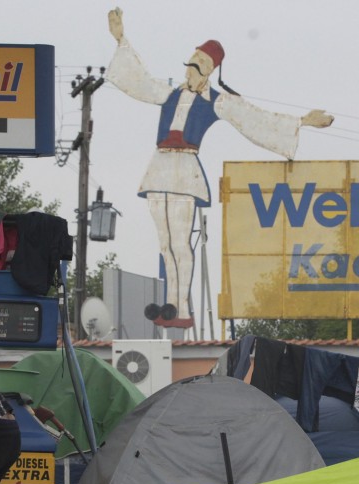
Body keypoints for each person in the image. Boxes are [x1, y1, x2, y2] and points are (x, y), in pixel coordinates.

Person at [106, 7, 334, 329]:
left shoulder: (216, 101)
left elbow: (254, 118)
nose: (190, 72)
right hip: (160, 166)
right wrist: (120, 39)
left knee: (181, 241)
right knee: (165, 242)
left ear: (209, 71)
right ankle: (171, 304)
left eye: (197, 68)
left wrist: (302, 122)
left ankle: (182, 307)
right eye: (189, 65)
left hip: (185, 169)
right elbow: (139, 80)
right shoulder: (170, 92)